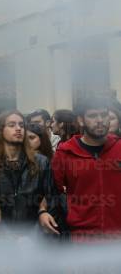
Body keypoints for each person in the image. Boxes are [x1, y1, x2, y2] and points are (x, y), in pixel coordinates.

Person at [48, 98, 121, 241]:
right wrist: (43, 211)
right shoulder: (65, 153)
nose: (100, 120)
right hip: (82, 239)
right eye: (93, 116)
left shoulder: (119, 148)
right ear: (81, 120)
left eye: (104, 115)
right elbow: (51, 190)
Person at [0, 110, 52, 235]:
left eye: (21, 125)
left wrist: (43, 212)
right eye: (11, 125)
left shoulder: (41, 162)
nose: (18, 129)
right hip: (1, 236)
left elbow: (49, 194)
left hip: (33, 234)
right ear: (0, 130)